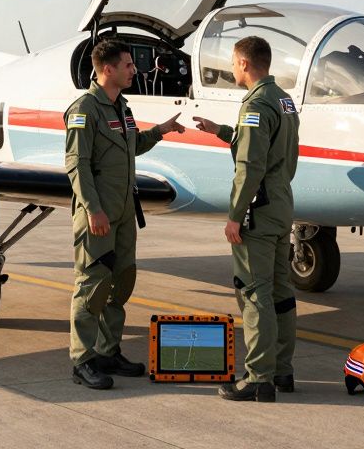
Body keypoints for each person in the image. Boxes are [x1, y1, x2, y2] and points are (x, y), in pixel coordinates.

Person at [66, 38, 184, 390]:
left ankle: (107, 351)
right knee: (91, 286)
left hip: (122, 214)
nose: (135, 70)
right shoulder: (84, 109)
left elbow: (132, 146)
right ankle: (82, 360)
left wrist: (159, 132)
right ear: (107, 69)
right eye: (128, 65)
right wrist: (93, 209)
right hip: (99, 214)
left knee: (120, 284)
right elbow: (77, 164)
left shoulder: (122, 107)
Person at [193, 36, 300, 402]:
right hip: (282, 204)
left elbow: (250, 165)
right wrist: (220, 130)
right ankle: (282, 371)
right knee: (282, 292)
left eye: (233, 63)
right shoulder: (284, 101)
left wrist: (235, 216)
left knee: (255, 294)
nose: (232, 69)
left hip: (259, 208)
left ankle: (258, 377)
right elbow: (278, 151)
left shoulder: (254, 104)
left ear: (243, 63)